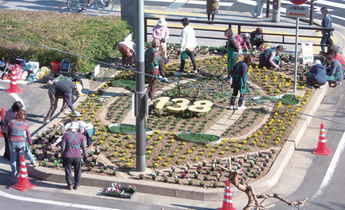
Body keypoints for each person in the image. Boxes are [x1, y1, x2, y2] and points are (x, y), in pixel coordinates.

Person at [8, 109, 38, 177]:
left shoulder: (11, 122)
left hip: (12, 142)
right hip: (21, 142)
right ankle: (33, 162)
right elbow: (28, 135)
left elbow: (8, 131)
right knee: (27, 151)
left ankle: (14, 173)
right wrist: (30, 141)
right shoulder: (25, 124)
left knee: (13, 158)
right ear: (23, 116)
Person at [60, 122, 87, 190]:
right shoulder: (81, 136)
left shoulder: (66, 135)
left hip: (67, 155)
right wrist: (85, 155)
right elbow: (84, 147)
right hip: (77, 155)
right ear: (77, 128)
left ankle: (70, 185)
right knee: (78, 170)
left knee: (68, 170)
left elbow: (62, 147)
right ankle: (77, 185)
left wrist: (62, 155)